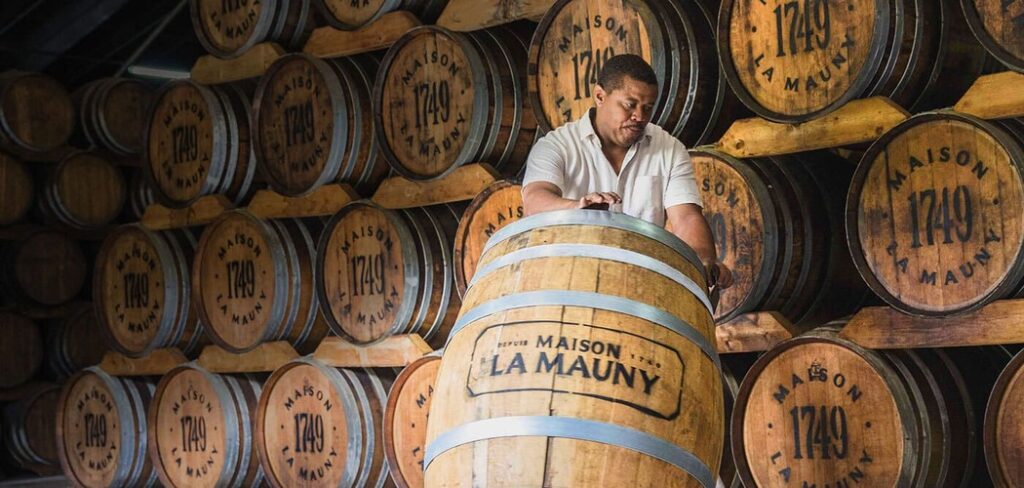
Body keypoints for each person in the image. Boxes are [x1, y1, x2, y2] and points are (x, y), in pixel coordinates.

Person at [522, 54, 733, 289]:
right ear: (600, 96)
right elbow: (534, 200)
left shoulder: (670, 149)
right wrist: (576, 207)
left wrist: (703, 261)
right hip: (570, 285)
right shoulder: (556, 145)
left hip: (641, 287)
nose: (640, 116)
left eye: (648, 107)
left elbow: (686, 217)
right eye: (630, 104)